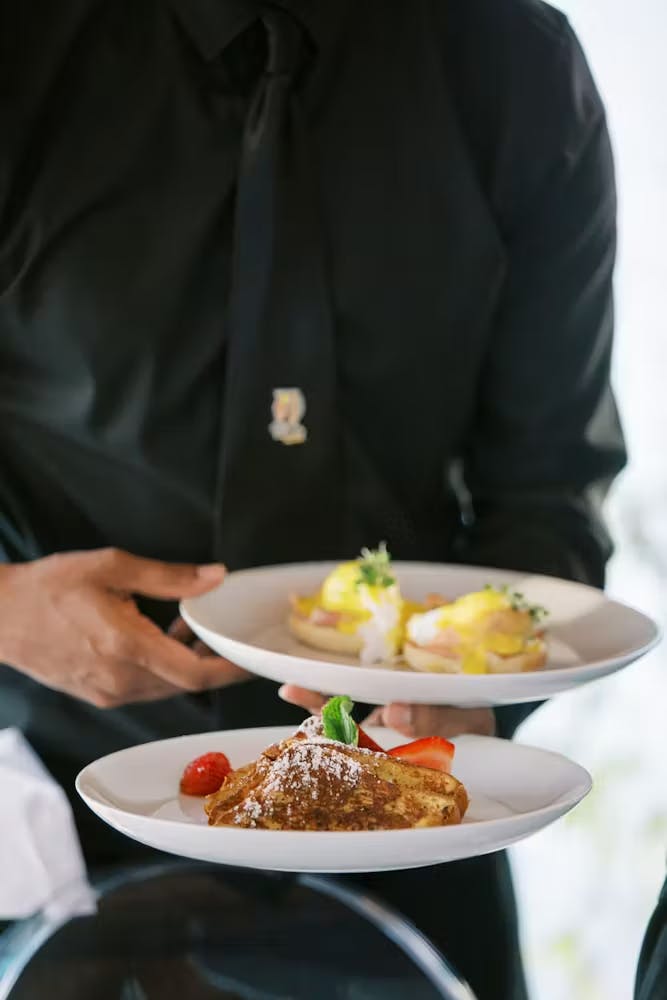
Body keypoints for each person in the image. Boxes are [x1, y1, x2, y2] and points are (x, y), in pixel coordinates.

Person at [0, 1, 626, 997]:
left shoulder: (517, 67)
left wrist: (475, 692)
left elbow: (550, 490)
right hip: (56, 811)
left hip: (415, 811)